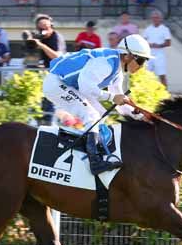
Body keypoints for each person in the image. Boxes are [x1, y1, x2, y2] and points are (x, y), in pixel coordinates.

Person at [43, 34, 152, 174]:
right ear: (127, 56)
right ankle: (94, 162)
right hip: (56, 83)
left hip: (69, 85)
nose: (142, 66)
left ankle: (85, 151)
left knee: (100, 114)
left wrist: (140, 116)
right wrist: (112, 97)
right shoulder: (105, 63)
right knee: (91, 115)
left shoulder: (117, 70)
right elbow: (85, 86)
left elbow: (121, 102)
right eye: (141, 60)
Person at [143, 10, 171, 86]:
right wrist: (148, 45)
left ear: (160, 18)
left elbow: (168, 43)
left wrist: (158, 45)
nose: (155, 19)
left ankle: (165, 94)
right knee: (147, 75)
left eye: (157, 18)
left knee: (162, 75)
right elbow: (143, 42)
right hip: (149, 55)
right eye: (153, 18)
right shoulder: (148, 29)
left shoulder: (165, 29)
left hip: (160, 55)